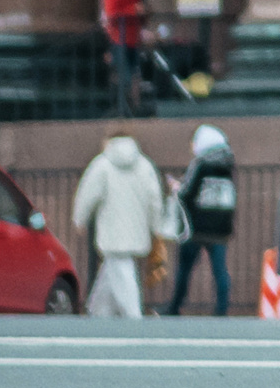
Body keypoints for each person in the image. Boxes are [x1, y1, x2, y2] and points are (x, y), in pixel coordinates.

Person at [72, 133, 168, 318]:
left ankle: (133, 318)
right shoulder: (145, 165)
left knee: (121, 271)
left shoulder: (102, 165)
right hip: (137, 230)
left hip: (111, 230)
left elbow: (87, 195)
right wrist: (156, 225)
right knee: (114, 269)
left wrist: (80, 219)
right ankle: (99, 314)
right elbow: (154, 199)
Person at [167, 126, 238, 316]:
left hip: (197, 226)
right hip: (221, 226)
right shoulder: (228, 165)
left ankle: (175, 305)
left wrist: (176, 187)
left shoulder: (200, 164)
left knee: (185, 268)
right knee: (220, 270)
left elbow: (187, 193)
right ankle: (222, 309)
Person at [101, 0, 149, 115]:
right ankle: (121, 107)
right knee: (124, 75)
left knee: (135, 75)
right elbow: (112, 13)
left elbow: (138, 11)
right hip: (118, 39)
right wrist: (134, 10)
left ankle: (134, 107)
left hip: (133, 39)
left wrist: (143, 14)